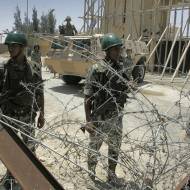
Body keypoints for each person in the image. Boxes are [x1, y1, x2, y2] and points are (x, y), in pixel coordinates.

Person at [84, 33, 129, 186]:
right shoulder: (96, 69)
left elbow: (126, 89)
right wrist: (89, 120)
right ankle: (91, 175)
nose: (118, 52)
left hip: (116, 116)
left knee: (115, 148)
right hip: (100, 116)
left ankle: (111, 175)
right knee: (94, 148)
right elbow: (88, 97)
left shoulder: (121, 69)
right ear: (107, 51)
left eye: (119, 49)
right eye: (115, 49)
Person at [0, 33, 44, 189]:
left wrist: (42, 114)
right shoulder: (3, 68)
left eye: (14, 46)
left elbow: (40, 92)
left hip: (27, 116)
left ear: (22, 47)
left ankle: (30, 176)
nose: (10, 48)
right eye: (9, 46)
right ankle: (11, 177)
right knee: (11, 151)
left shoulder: (34, 67)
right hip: (9, 116)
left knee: (30, 149)